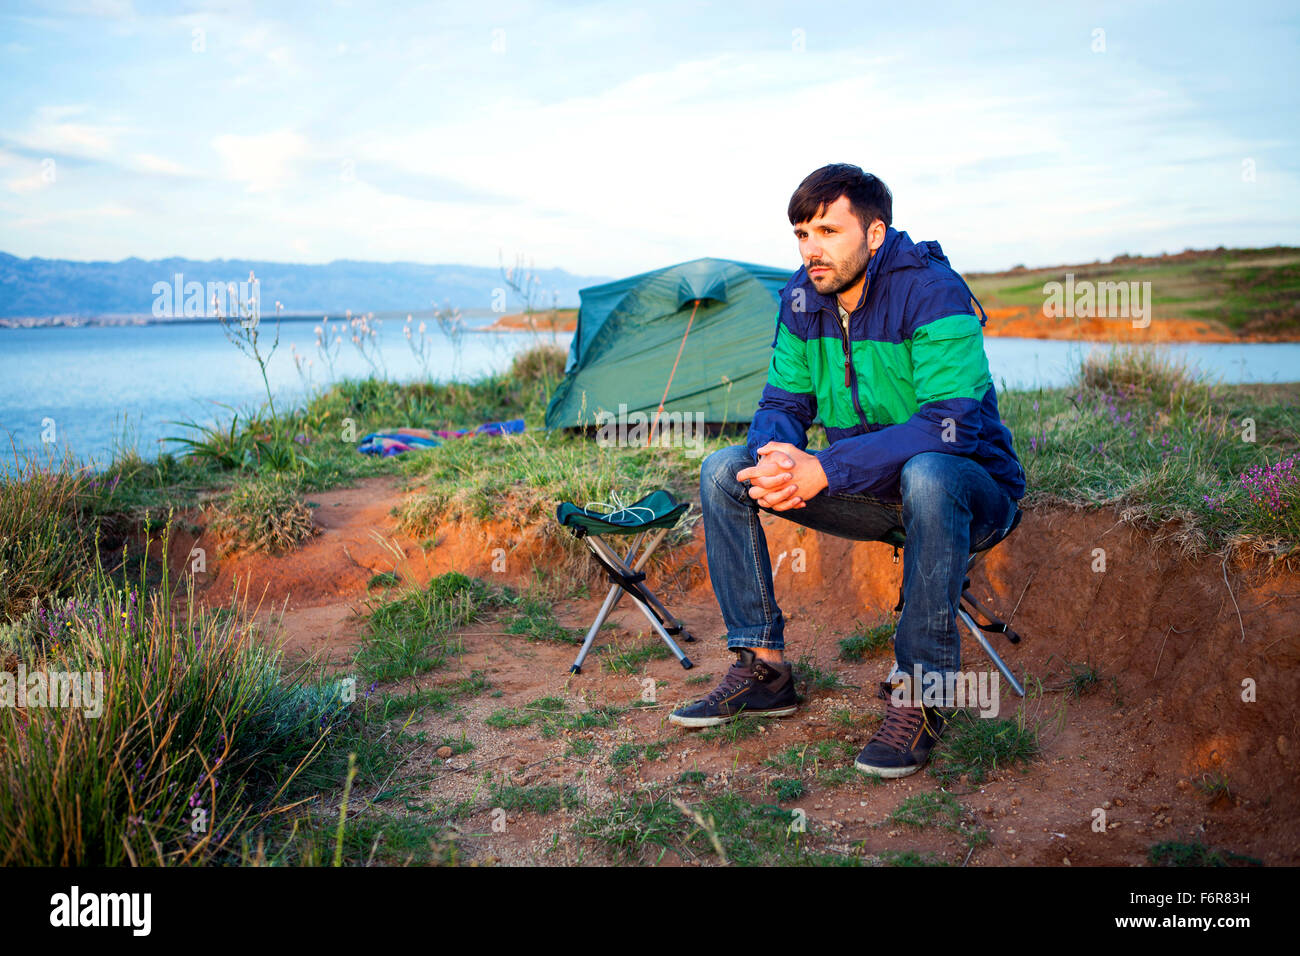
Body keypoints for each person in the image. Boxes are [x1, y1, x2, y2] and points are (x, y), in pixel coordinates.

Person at [669, 164, 1026, 778]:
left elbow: (953, 425)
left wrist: (827, 469)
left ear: (875, 232)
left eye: (829, 230)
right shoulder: (803, 297)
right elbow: (784, 403)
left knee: (931, 473)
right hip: (868, 490)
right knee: (725, 469)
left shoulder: (932, 291)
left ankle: (925, 691)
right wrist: (777, 456)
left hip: (969, 492)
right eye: (802, 233)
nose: (812, 249)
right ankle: (764, 668)